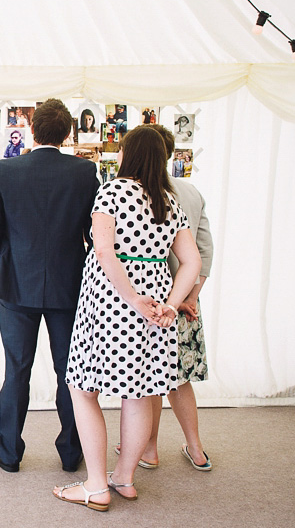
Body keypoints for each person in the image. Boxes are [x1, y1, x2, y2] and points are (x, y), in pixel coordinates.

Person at [55, 125, 201, 512]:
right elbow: (193, 261)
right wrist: (170, 303)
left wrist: (134, 298)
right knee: (138, 394)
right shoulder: (170, 200)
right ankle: (124, 477)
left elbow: (104, 251)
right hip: (155, 303)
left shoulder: (113, 191)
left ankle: (96, 485)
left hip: (111, 300)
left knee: (83, 389)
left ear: (128, 154)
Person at [0, 99, 99, 475]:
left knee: (16, 371)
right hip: (70, 288)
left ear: (33, 130)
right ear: (67, 133)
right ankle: (70, 452)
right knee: (71, 373)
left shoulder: (7, 170)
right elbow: (96, 236)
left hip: (16, 287)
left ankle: (9, 453)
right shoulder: (85, 172)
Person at [114, 124, 215, 472]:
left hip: (147, 299)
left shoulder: (127, 192)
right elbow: (204, 252)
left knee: (149, 378)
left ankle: (149, 449)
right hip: (182, 299)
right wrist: (187, 298)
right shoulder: (190, 193)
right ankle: (196, 448)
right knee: (180, 378)